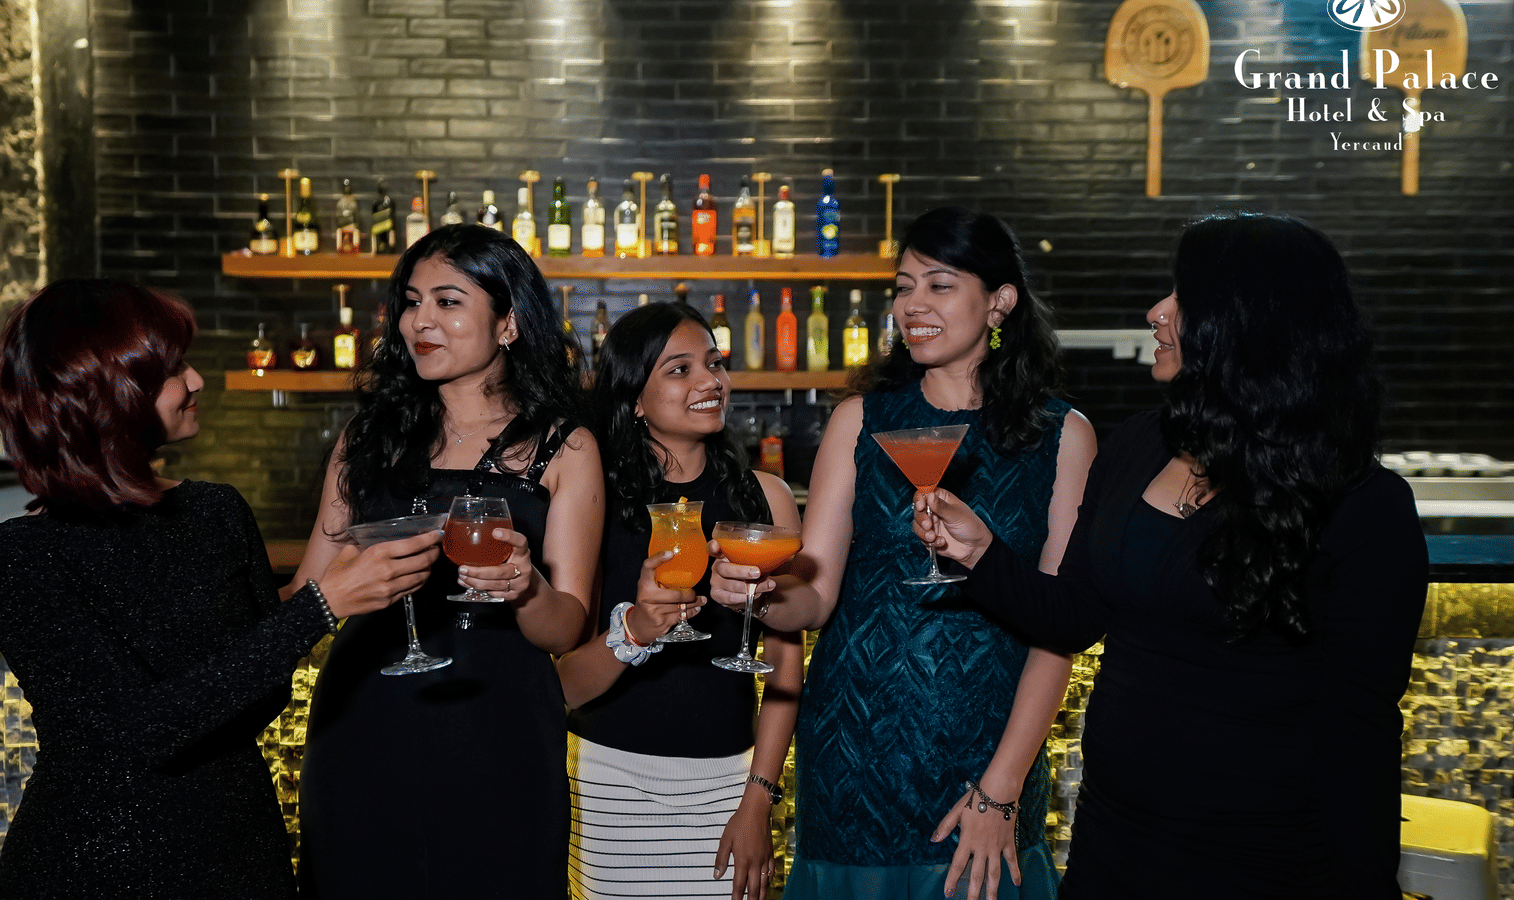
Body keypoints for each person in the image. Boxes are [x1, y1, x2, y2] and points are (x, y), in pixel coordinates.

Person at [915, 212, 1429, 899]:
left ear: (1246, 322)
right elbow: (1075, 617)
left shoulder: (1362, 506)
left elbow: (1359, 738)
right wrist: (980, 556)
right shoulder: (1138, 445)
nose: (1157, 312)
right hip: (1115, 845)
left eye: (1181, 297)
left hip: (1268, 862)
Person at [0, 279, 439, 897]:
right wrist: (321, 607)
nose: (196, 381)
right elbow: (137, 734)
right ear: (104, 394)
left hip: (240, 851)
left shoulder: (216, 513)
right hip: (99, 866)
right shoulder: (13, 559)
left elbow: (256, 693)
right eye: (170, 370)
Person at [714, 208, 1096, 900]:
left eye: (939, 286)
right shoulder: (861, 419)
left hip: (985, 765)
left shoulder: (1064, 437)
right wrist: (762, 593)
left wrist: (1002, 789)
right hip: (854, 761)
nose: (912, 306)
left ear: (1000, 301)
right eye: (903, 286)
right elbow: (818, 593)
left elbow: (1059, 627)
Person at [290, 224, 604, 898]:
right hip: (365, 723)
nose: (419, 321)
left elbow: (567, 627)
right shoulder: (368, 436)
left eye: (447, 301)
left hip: (500, 732)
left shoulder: (564, 447)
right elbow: (305, 593)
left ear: (508, 324)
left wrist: (526, 588)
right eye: (410, 301)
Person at [560, 303, 804, 900]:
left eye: (714, 364)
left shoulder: (763, 499)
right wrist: (636, 631)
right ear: (634, 399)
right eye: (679, 369)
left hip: (730, 784)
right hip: (608, 783)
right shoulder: (594, 505)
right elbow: (563, 684)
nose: (709, 381)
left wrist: (758, 799)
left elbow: (786, 666)